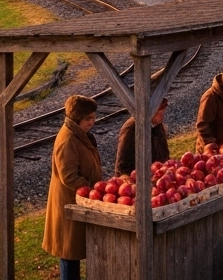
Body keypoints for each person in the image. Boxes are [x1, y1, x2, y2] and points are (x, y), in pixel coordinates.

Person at [43, 95, 103, 280]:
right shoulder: (68, 140)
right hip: (68, 203)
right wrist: (92, 189)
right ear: (77, 118)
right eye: (88, 118)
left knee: (72, 251)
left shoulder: (78, 134)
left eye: (93, 117)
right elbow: (68, 176)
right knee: (69, 252)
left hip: (77, 202)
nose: (92, 122)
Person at [114, 97, 170, 176]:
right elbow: (123, 165)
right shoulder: (132, 129)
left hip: (157, 175)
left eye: (162, 113)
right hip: (138, 178)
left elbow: (165, 154)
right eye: (159, 113)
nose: (162, 116)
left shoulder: (157, 125)